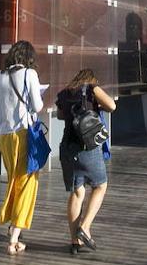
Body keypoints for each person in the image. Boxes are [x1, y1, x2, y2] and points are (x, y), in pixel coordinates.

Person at [0, 41, 45, 255]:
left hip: (3, 136)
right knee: (27, 183)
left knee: (14, 181)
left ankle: (13, 224)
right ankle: (14, 237)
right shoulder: (29, 74)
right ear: (28, 57)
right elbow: (38, 106)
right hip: (23, 134)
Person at [55, 69, 117, 255]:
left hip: (68, 149)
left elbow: (60, 115)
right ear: (90, 80)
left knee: (77, 192)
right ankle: (85, 226)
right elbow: (112, 106)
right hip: (87, 148)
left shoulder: (65, 93)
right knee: (100, 186)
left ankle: (75, 241)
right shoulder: (91, 89)